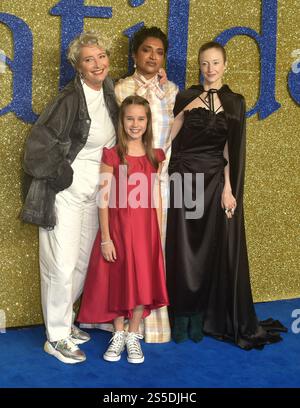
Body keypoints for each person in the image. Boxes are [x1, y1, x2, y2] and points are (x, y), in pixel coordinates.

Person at [165, 41, 286, 349]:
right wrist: (184, 110)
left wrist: (229, 188)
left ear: (225, 65)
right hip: (183, 177)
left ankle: (206, 314)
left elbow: (232, 149)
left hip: (216, 180)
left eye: (216, 63)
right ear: (199, 65)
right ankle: (183, 315)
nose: (210, 69)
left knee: (211, 246)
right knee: (183, 245)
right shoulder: (186, 96)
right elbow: (169, 139)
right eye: (205, 63)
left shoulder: (235, 102)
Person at [21, 32, 119, 363]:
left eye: (101, 56)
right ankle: (57, 336)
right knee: (60, 266)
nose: (98, 64)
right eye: (89, 59)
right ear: (77, 66)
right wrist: (66, 176)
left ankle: (64, 323)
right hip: (65, 194)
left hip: (95, 196)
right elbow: (34, 153)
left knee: (80, 263)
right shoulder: (67, 101)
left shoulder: (109, 94)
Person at [78, 95, 169, 363]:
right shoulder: (112, 155)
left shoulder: (155, 155)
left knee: (143, 280)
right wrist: (106, 238)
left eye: (140, 118)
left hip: (145, 231)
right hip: (117, 229)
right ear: (122, 120)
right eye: (130, 118)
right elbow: (104, 199)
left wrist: (158, 233)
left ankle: (133, 334)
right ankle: (118, 333)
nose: (135, 124)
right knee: (119, 279)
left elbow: (155, 196)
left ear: (148, 121)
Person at [113, 25, 178, 343]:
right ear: (135, 54)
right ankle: (119, 324)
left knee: (153, 250)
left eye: (159, 51)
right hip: (128, 180)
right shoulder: (121, 88)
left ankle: (148, 326)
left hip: (160, 182)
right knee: (126, 249)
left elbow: (171, 138)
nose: (153, 56)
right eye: (147, 50)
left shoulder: (173, 91)